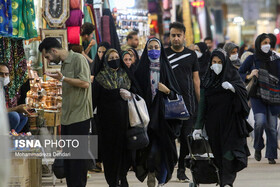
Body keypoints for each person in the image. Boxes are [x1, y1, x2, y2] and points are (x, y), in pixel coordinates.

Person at [39, 37, 93, 187]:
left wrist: (63, 78)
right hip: (67, 116)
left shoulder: (78, 59)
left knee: (77, 160)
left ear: (54, 50)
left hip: (80, 116)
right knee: (69, 160)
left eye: (48, 56)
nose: (48, 60)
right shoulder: (64, 63)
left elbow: (85, 83)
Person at [193, 48, 251, 187]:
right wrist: (198, 127)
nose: (217, 65)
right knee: (218, 154)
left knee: (229, 154)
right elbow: (202, 106)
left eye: (220, 62)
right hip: (213, 125)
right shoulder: (207, 81)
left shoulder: (232, 76)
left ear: (225, 63)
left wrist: (233, 88)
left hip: (231, 123)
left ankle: (227, 182)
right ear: (210, 63)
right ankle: (223, 180)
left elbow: (243, 93)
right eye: (214, 62)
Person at [134, 38, 182, 187]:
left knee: (165, 148)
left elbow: (176, 93)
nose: (153, 50)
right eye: (150, 48)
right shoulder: (141, 70)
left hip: (164, 118)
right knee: (151, 148)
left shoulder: (166, 68)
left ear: (161, 49)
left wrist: (166, 90)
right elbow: (135, 90)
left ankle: (161, 180)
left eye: (156, 47)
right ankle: (151, 171)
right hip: (147, 117)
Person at [92, 48, 139, 187]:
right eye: (111, 58)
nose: (114, 60)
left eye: (116, 57)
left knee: (124, 151)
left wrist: (131, 94)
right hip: (106, 124)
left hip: (125, 122)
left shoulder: (126, 74)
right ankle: (112, 181)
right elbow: (94, 100)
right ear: (106, 61)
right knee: (110, 153)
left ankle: (123, 177)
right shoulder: (100, 78)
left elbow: (137, 91)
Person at [165, 22, 200, 182]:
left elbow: (196, 80)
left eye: (179, 35)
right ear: (169, 36)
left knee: (186, 139)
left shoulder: (191, 55)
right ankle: (169, 166)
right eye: (173, 35)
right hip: (169, 103)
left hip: (188, 103)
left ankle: (181, 169)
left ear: (184, 36)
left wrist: (200, 105)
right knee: (169, 139)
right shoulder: (163, 55)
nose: (176, 38)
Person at [239, 33, 280, 164]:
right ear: (258, 44)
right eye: (264, 43)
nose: (267, 45)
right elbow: (239, 72)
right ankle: (258, 146)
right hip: (257, 96)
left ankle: (271, 155)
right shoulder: (252, 59)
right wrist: (249, 75)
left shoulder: (276, 59)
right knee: (260, 121)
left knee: (272, 127)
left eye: (268, 43)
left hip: (273, 96)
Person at [0, 63, 30, 133]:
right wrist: (17, 109)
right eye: (1, 74)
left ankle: (12, 135)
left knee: (24, 117)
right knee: (14, 116)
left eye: (6, 74)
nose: (4, 77)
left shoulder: (3, 88)